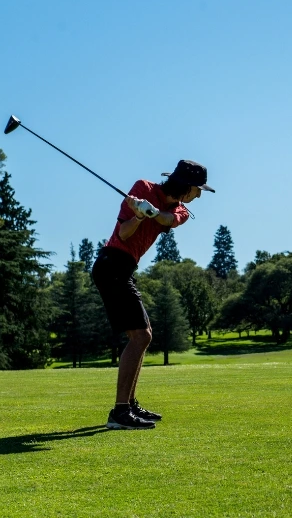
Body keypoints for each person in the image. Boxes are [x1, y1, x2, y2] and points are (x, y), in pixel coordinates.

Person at [92, 159, 215, 430]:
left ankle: (129, 404)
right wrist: (138, 215)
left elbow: (170, 220)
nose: (199, 196)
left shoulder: (180, 209)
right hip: (112, 264)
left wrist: (153, 212)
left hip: (124, 269)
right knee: (141, 336)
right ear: (187, 186)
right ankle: (120, 412)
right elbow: (123, 234)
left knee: (143, 335)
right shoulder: (142, 188)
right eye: (198, 190)